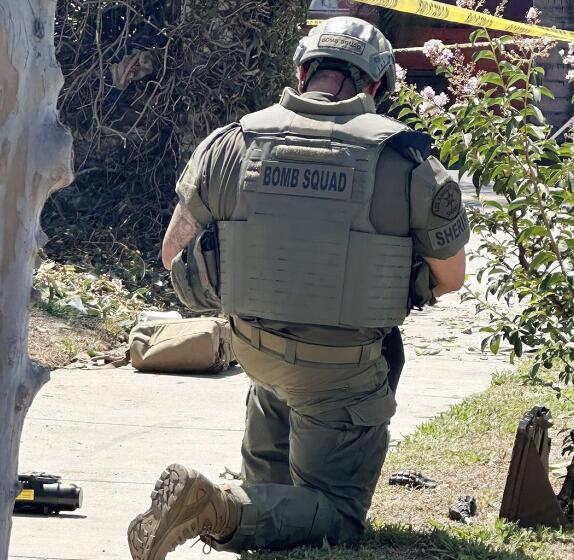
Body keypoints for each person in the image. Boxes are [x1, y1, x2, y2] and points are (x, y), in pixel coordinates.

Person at [127, 16, 469, 560]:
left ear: (304, 70)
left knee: (276, 414)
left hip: (255, 351)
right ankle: (216, 507)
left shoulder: (233, 143)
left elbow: (174, 254)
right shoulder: (405, 161)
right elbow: (452, 277)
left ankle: (244, 502)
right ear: (377, 86)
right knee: (334, 510)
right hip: (343, 370)